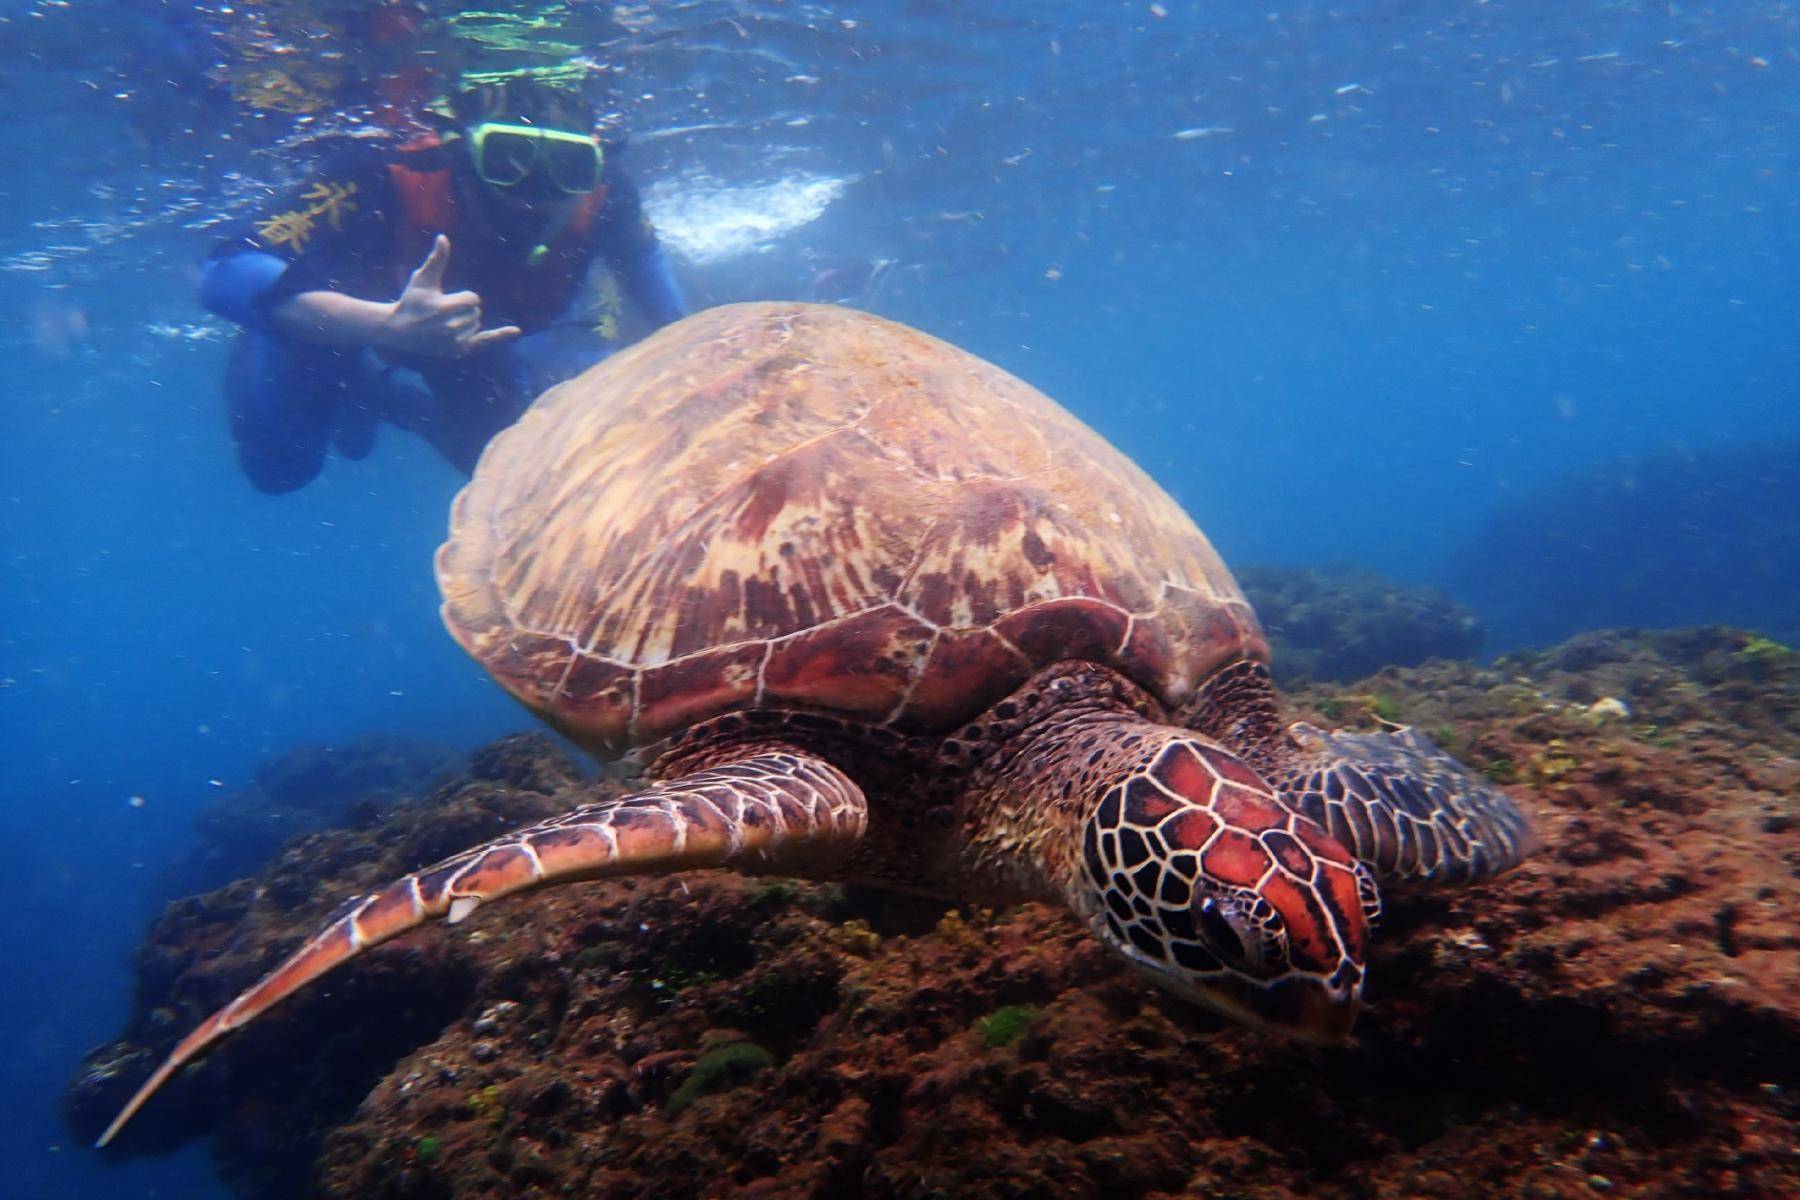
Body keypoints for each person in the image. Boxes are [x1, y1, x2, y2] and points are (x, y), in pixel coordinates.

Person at [200, 78, 689, 492]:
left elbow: (680, 330)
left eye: (571, 166)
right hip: (333, 334)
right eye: (508, 158)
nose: (536, 193)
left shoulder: (609, 199)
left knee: (515, 478)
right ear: (462, 152)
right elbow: (225, 270)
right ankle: (356, 385)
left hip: (470, 346)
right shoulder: (380, 173)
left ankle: (388, 399)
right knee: (280, 469)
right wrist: (383, 325)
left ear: (597, 164)